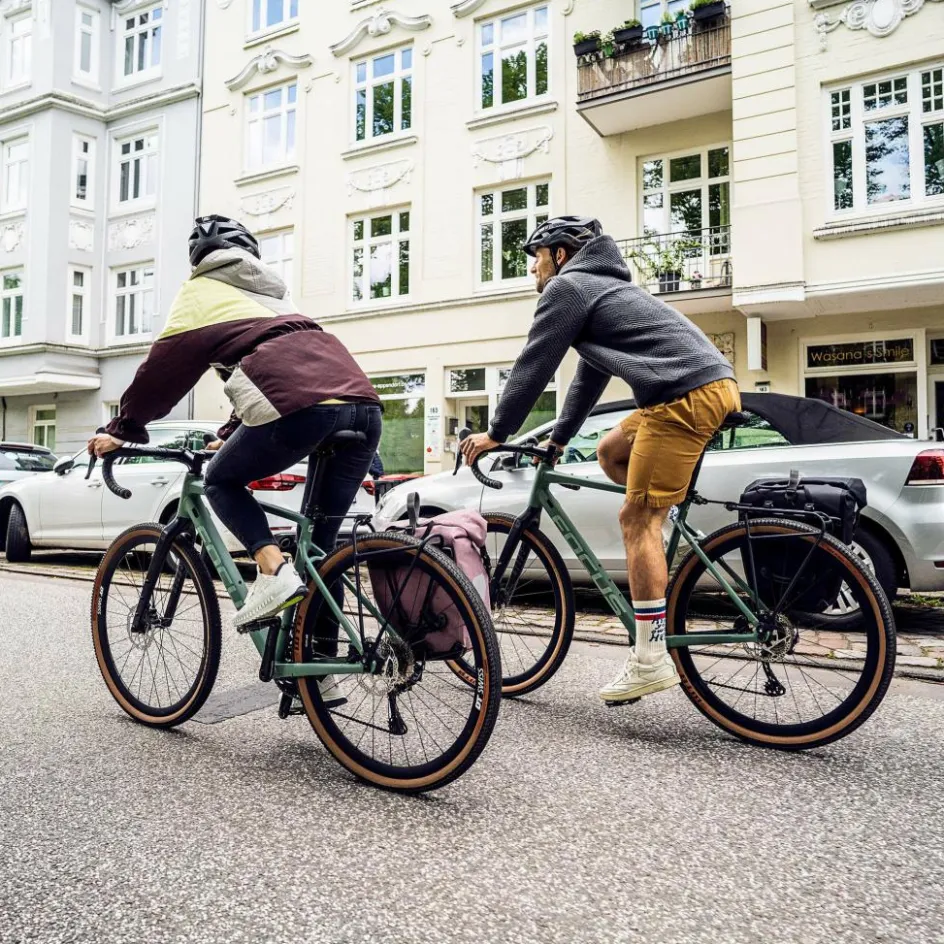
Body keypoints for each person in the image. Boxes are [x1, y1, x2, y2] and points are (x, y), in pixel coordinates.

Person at [460, 216, 740, 704]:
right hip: (699, 388)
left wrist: (496, 433)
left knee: (636, 519)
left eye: (536, 258)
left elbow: (535, 364)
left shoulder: (568, 287)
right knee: (611, 451)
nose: (533, 271)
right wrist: (559, 439)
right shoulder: (603, 291)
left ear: (560, 254)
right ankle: (658, 536)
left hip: (682, 396)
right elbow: (588, 378)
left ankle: (649, 659)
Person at [88, 215, 382, 631]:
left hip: (301, 408)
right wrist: (228, 434)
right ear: (249, 256)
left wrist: (121, 429)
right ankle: (319, 667)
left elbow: (162, 371)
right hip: (364, 406)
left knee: (219, 481)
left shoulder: (199, 293)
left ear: (198, 260)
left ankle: (272, 569)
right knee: (321, 550)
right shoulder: (274, 293)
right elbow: (265, 365)